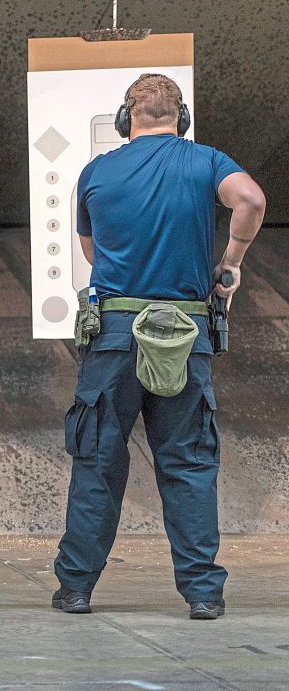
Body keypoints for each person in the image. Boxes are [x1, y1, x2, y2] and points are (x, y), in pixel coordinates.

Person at [53, 74, 265, 620]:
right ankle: (202, 594)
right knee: (189, 464)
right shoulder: (206, 161)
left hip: (116, 338)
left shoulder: (96, 173)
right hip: (184, 336)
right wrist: (230, 263)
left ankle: (76, 588)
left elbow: (92, 251)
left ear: (125, 121)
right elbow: (250, 200)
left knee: (98, 460)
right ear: (182, 118)